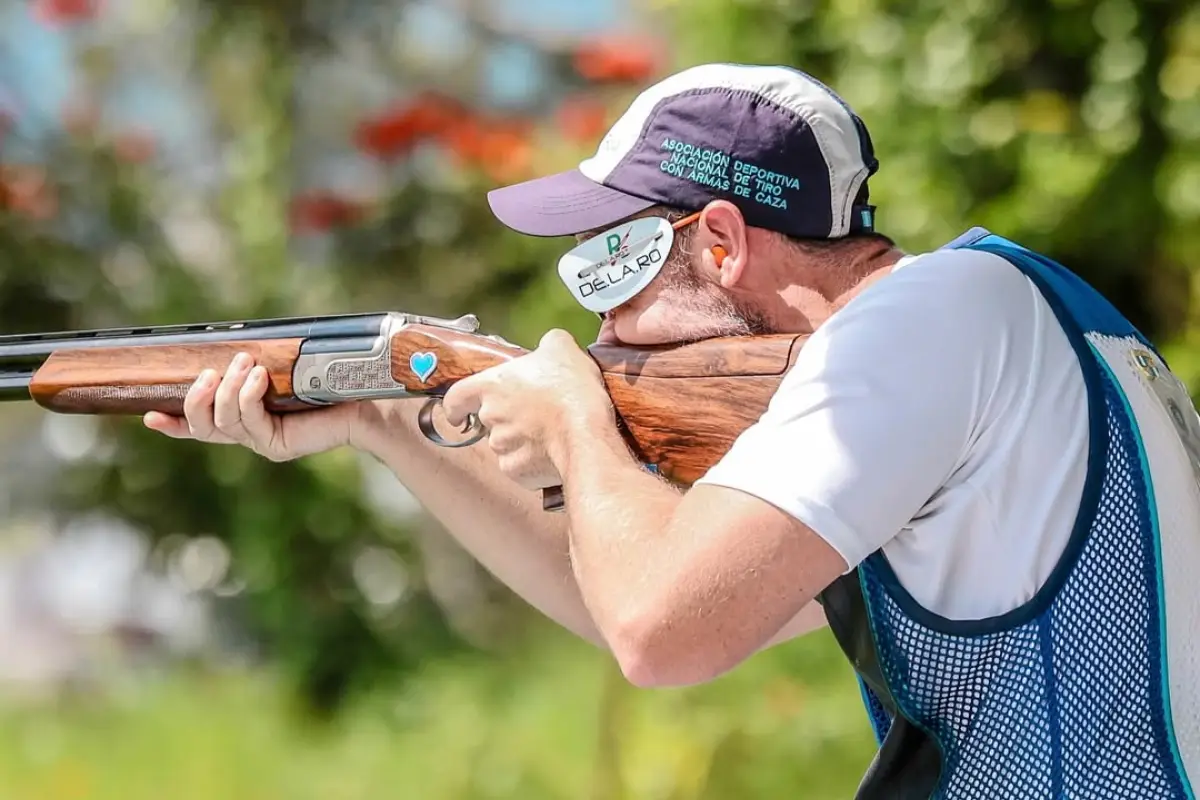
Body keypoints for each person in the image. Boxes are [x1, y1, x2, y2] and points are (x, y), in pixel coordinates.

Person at [145, 63, 1200, 798]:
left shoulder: (921, 323)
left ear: (728, 241)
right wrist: (382, 422)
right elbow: (621, 597)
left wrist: (572, 419)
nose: (599, 324)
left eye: (613, 266)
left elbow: (663, 632)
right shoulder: (1011, 320)